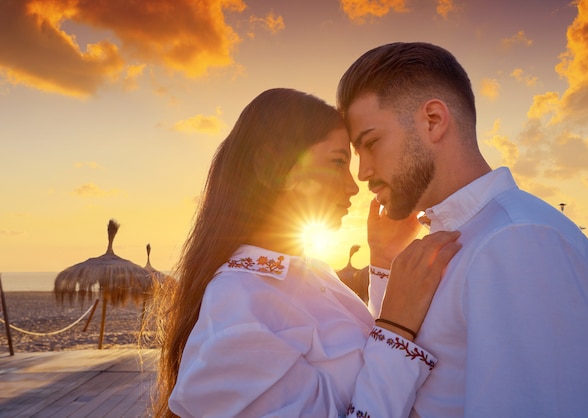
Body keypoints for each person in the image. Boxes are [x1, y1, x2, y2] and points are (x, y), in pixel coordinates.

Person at [336, 41, 588, 417]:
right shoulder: (472, 239)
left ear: (434, 121)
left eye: (371, 143)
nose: (363, 173)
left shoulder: (516, 242)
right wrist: (385, 262)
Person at [154, 88, 462, 418]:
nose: (352, 186)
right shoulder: (240, 313)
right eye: (337, 162)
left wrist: (384, 261)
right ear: (275, 168)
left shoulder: (311, 274)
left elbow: (365, 368)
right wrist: (397, 327)